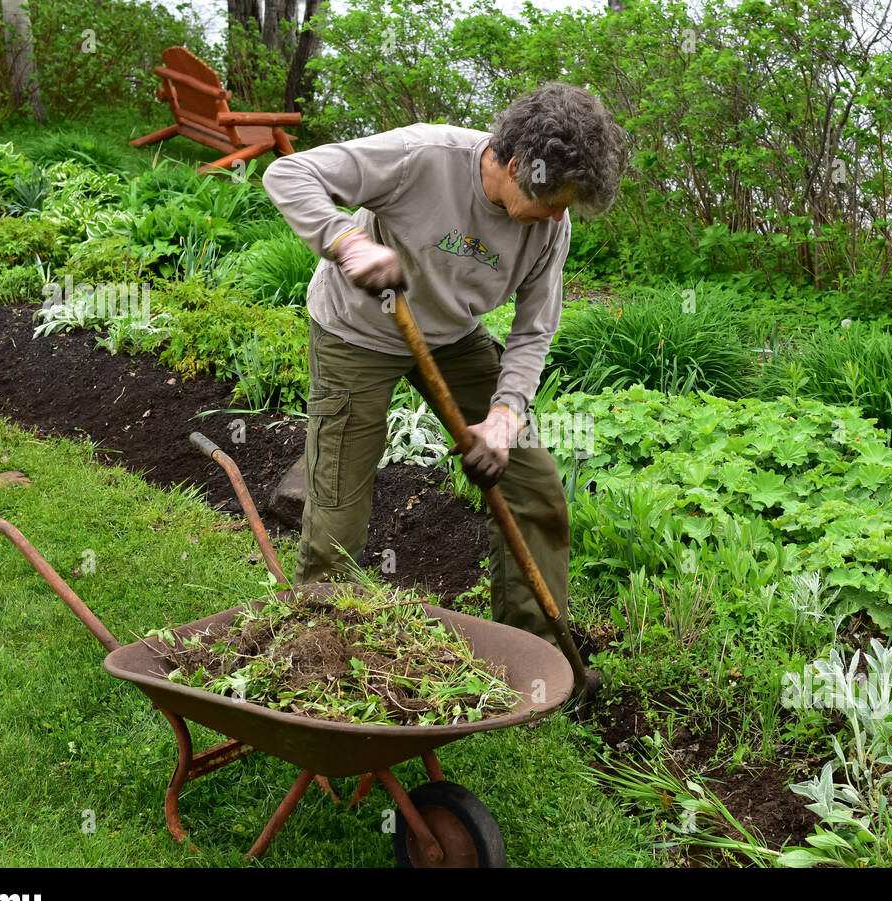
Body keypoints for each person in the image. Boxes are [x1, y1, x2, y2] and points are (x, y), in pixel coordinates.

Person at [262, 82, 628, 643]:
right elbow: (289, 175)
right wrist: (348, 242)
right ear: (514, 163)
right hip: (357, 329)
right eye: (552, 201)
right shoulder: (422, 157)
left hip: (452, 337)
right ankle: (321, 644)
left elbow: (534, 329)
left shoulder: (550, 230)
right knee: (339, 503)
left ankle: (532, 650)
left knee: (532, 482)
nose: (558, 219)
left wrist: (505, 416)